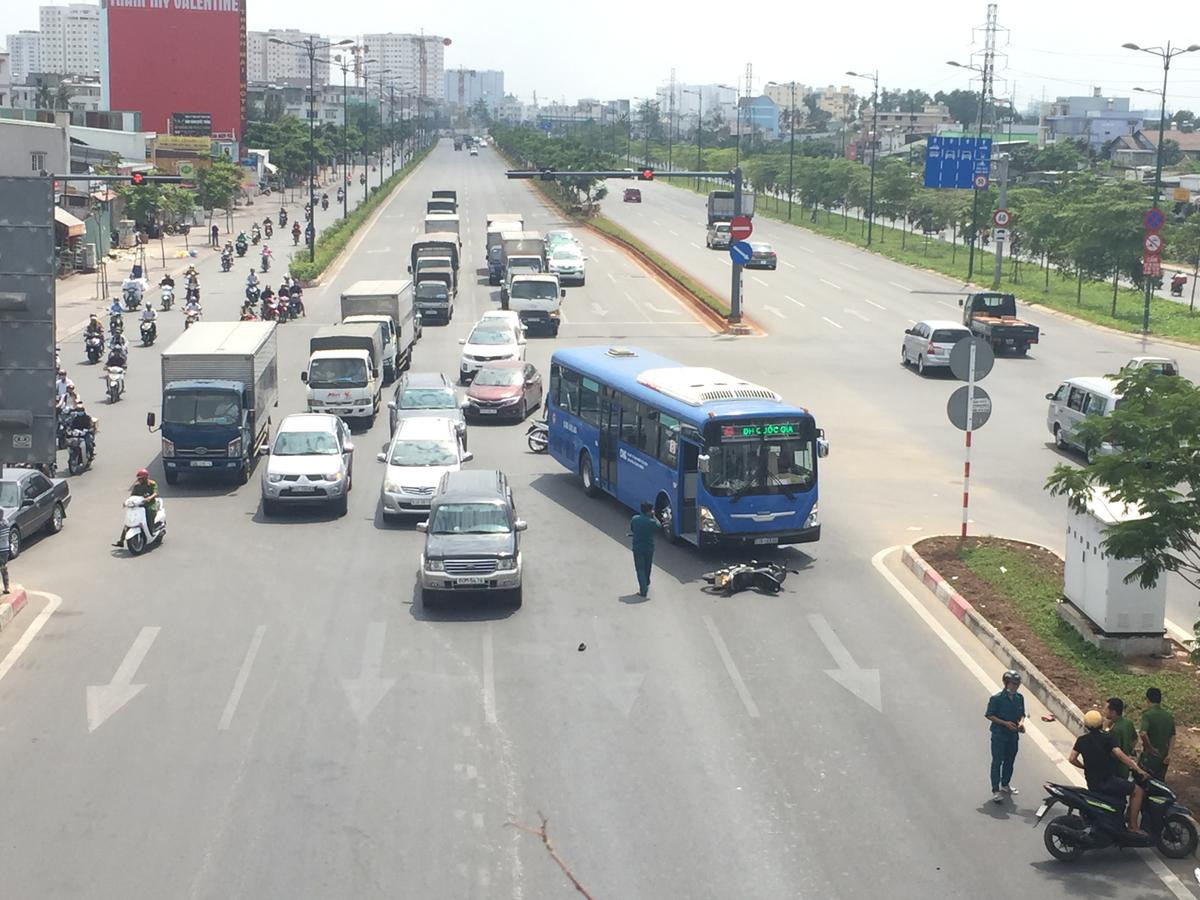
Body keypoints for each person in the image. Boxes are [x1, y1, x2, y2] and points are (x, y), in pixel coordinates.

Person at [1070, 709, 1150, 834]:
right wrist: (1138, 769)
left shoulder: (1081, 740)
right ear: (1101, 723)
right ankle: (1133, 826)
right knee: (1138, 791)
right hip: (1107, 781)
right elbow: (1120, 754)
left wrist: (1085, 767)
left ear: (1086, 726)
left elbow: (1072, 759)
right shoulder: (1107, 738)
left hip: (1092, 783)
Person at [985, 669, 1026, 803]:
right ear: (1006, 683)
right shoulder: (996, 699)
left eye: (1017, 685)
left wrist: (1021, 723)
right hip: (999, 735)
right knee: (997, 762)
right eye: (1013, 684)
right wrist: (1005, 723)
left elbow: (1022, 714)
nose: (1015, 687)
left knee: (1010, 761)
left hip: (1013, 736)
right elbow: (989, 715)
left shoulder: (1019, 698)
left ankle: (1005, 784)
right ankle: (996, 790)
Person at [114, 469, 158, 547]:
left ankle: (151, 531)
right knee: (129, 520)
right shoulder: (137, 486)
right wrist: (126, 502)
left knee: (150, 512)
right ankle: (121, 540)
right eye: (138, 478)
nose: (139, 480)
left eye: (141, 478)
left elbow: (155, 493)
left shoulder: (152, 484)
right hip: (139, 505)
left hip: (150, 504)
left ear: (145, 478)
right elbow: (132, 496)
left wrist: (149, 498)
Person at [1139, 687, 1176, 780]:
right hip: (1164, 756)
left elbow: (1143, 733)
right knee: (1159, 782)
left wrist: (1150, 748)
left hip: (1150, 756)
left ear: (1147, 699)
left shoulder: (1147, 715)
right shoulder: (1168, 716)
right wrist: (1170, 754)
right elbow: (1173, 735)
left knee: (1144, 780)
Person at [627, 501, 660, 598]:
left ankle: (643, 589)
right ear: (649, 511)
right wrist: (654, 517)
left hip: (638, 548)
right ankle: (646, 582)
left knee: (640, 568)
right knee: (647, 566)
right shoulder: (651, 522)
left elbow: (632, 529)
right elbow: (659, 526)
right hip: (649, 548)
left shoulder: (635, 519)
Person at [1106, 697, 1138, 780]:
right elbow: (1135, 739)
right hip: (1125, 767)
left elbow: (1115, 752)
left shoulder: (1115, 730)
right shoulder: (1128, 723)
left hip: (1116, 768)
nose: (1104, 711)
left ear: (1113, 712)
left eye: (1106, 709)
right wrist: (1129, 750)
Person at [0, 509, 10, 594]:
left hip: (1, 550)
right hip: (5, 550)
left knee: (3, 568)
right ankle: (6, 587)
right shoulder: (6, 523)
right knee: (3, 568)